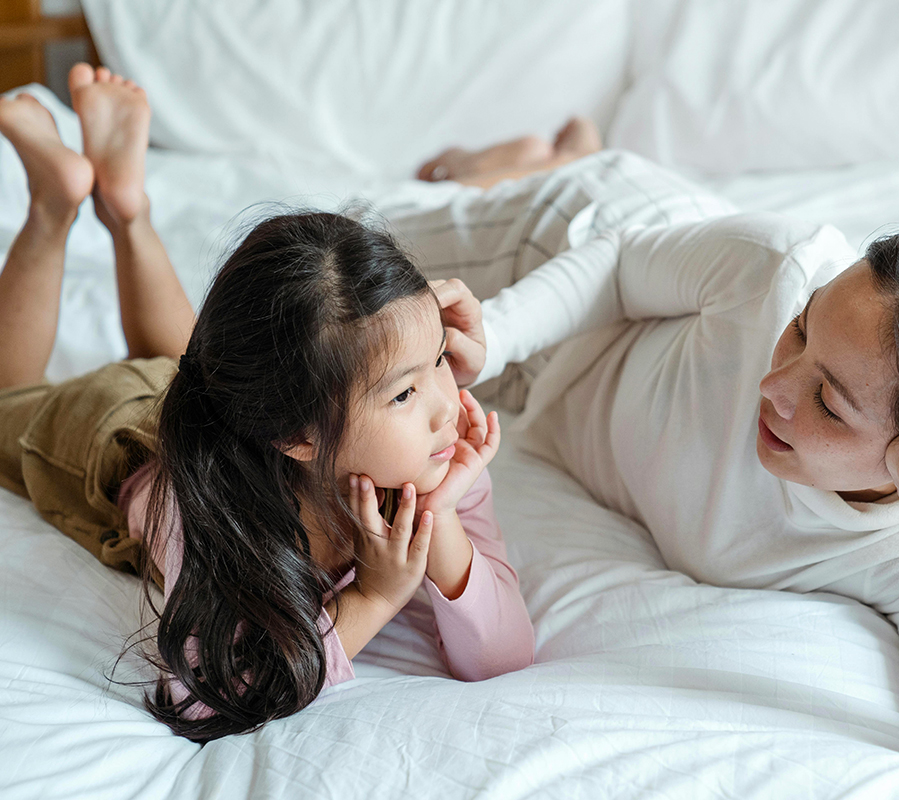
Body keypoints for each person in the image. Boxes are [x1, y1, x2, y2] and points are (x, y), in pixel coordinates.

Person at [383, 146, 899, 790]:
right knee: (354, 250)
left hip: (545, 401)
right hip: (557, 255)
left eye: (827, 402)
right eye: (800, 330)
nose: (774, 386)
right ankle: (554, 158)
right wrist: (494, 337)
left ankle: (552, 148)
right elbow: (620, 263)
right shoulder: (774, 266)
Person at [0, 66, 535, 743]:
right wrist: (372, 598)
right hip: (112, 435)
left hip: (210, 399)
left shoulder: (433, 451)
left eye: (439, 360)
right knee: (9, 400)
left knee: (184, 361)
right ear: (297, 436)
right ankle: (54, 204)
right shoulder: (210, 511)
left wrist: (441, 515)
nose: (445, 406)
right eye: (404, 392)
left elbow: (504, 656)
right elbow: (205, 698)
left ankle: (126, 205)